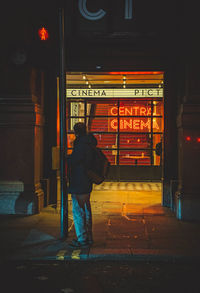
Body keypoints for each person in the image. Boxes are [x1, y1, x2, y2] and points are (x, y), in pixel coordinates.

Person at [66, 123, 96, 248]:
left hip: (79, 180)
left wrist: (67, 158)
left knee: (78, 209)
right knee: (86, 209)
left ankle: (82, 238)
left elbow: (75, 160)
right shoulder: (90, 143)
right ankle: (88, 236)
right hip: (87, 180)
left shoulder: (80, 144)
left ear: (76, 132)